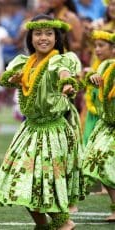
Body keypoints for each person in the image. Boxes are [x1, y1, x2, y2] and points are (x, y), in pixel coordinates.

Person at [0, 14, 85, 229]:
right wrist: (10, 78)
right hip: (30, 129)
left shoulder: (60, 60)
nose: (43, 38)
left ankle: (63, 223)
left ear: (57, 37)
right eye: (38, 33)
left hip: (53, 130)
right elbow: (1, 79)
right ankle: (42, 225)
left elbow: (64, 74)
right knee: (21, 181)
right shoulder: (24, 62)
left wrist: (67, 85)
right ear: (30, 38)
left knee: (44, 180)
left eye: (49, 34)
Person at [82, 32, 115, 222]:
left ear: (113, 48)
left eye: (102, 46)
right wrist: (91, 76)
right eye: (96, 46)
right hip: (107, 124)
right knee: (99, 160)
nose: (97, 50)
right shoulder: (102, 66)